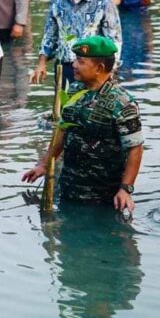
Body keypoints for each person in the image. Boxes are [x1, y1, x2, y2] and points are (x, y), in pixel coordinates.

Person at [22, 36, 143, 211]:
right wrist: (44, 164)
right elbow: (62, 130)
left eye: (80, 61)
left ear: (99, 68)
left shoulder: (122, 103)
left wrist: (125, 189)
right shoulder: (74, 90)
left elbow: (135, 149)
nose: (74, 65)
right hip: (69, 187)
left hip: (103, 196)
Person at [30, 0, 122, 86]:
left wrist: (110, 71)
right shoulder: (58, 0)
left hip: (92, 70)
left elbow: (114, 41)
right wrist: (41, 64)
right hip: (64, 67)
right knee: (63, 99)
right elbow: (50, 36)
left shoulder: (104, 3)